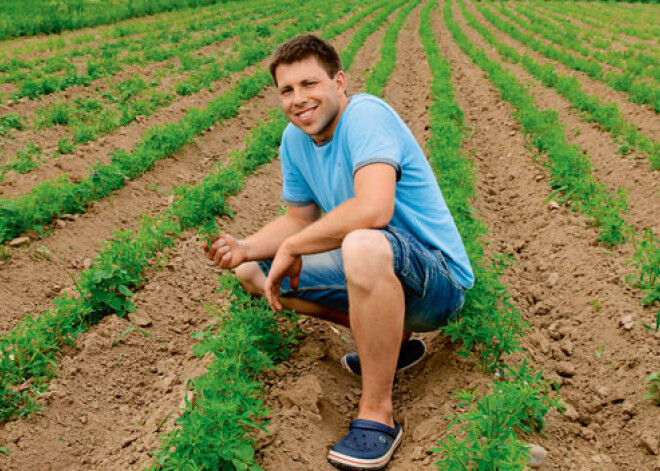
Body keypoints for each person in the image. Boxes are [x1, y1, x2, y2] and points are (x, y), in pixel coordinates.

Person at [204, 34, 474, 470]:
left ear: (339, 82)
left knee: (362, 242)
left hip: (436, 280)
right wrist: (245, 247)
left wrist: (294, 246)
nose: (299, 99)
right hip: (381, 268)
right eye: (287, 90)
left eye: (310, 84)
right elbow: (298, 219)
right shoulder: (294, 141)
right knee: (253, 272)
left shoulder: (365, 116)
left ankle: (377, 414)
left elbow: (374, 208)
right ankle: (387, 340)